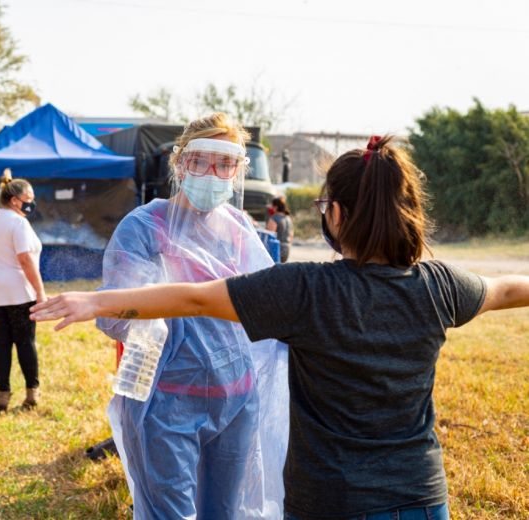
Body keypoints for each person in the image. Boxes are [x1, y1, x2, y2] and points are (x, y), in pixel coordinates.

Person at [31, 136, 529, 520]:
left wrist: (94, 299)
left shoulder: (305, 290)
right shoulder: (440, 285)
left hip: (330, 501)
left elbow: (195, 298)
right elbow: (508, 289)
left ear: (335, 213)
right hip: (421, 495)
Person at [57, 114, 288, 518]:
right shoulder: (145, 226)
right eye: (201, 160)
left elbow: (265, 302)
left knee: (225, 512)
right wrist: (148, 316)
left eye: (225, 164)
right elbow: (115, 312)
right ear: (180, 164)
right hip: (167, 403)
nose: (213, 173)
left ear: (238, 171)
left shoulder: (237, 228)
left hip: (236, 399)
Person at [0, 172, 45, 412]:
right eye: (29, 197)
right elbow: (25, 259)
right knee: (25, 342)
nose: (31, 202)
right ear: (15, 200)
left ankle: (2, 397)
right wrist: (40, 292)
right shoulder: (18, 222)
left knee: (1, 343)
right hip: (16, 290)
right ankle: (31, 394)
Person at [266, 196, 293, 262]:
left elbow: (270, 236)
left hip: (277, 249)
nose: (271, 208)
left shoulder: (274, 218)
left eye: (272, 206)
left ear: (276, 207)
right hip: (287, 249)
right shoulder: (288, 218)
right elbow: (291, 235)